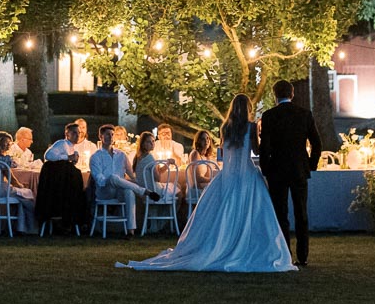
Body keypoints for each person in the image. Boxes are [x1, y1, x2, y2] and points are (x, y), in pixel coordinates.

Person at [121, 93, 296, 272]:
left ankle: (222, 242)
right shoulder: (250, 127)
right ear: (248, 109)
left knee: (222, 211)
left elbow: (224, 151)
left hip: (228, 175)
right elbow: (256, 150)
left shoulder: (225, 127)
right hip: (247, 174)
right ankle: (249, 245)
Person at [258, 80, 323, 267]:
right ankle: (302, 256)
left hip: (277, 170)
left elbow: (265, 147)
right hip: (299, 170)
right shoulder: (304, 114)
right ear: (292, 94)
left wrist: (265, 168)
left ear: (275, 95)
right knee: (301, 213)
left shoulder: (269, 116)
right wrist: (311, 164)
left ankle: (285, 253)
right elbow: (317, 143)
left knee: (281, 213)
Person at [91, 124, 158, 237]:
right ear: (100, 136)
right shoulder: (95, 156)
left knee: (129, 192)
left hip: (119, 190)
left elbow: (132, 175)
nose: (110, 137)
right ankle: (144, 191)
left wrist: (134, 180)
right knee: (113, 177)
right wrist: (114, 180)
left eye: (112, 135)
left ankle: (130, 230)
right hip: (104, 191)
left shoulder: (121, 155)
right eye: (107, 135)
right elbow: (100, 180)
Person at [0, 131, 34, 232]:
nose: (9, 146)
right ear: (4, 145)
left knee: (21, 195)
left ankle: (17, 226)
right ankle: (26, 226)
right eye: (9, 144)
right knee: (28, 193)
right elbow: (11, 178)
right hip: (2, 191)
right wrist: (20, 185)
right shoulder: (4, 160)